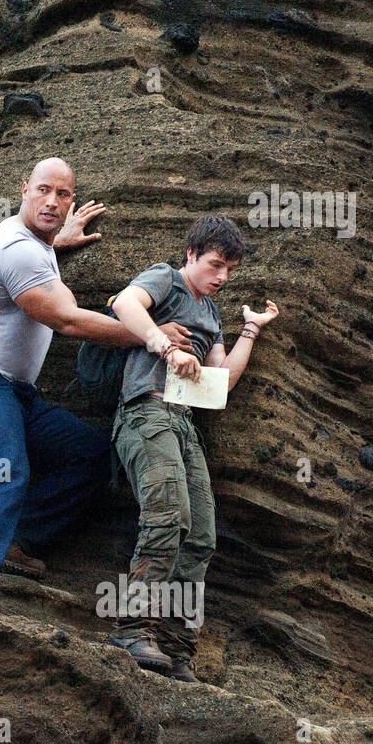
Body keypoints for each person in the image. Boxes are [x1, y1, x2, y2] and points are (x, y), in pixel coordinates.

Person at [0, 158, 193, 616]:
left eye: (64, 194)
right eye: (43, 191)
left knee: (94, 454)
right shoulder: (18, 248)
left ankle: (18, 539)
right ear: (24, 189)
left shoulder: (31, 240)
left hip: (17, 395)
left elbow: (41, 255)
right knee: (2, 474)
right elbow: (67, 319)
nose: (53, 202)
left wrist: (59, 240)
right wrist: (151, 334)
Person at [105, 215, 279, 681]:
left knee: (200, 535)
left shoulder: (211, 314)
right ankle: (131, 627)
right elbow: (125, 303)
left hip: (184, 423)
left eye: (229, 270)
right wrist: (166, 346)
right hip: (146, 412)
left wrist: (250, 329)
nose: (221, 277)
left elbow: (220, 383)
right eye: (215, 265)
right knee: (167, 515)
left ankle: (176, 648)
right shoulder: (166, 280)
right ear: (190, 255)